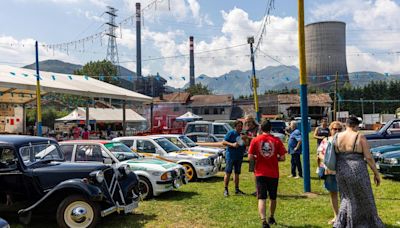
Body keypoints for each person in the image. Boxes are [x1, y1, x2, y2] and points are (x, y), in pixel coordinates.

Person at [333, 116, 384, 227]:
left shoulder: (337, 136)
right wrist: (376, 173)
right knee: (364, 196)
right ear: (356, 126)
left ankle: (343, 222)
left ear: (346, 125)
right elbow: (368, 157)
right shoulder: (359, 136)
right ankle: (365, 223)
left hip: (341, 169)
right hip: (357, 169)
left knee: (346, 197)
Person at [248, 120, 287, 228]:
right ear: (271, 128)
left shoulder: (255, 140)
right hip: (273, 173)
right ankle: (272, 217)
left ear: (261, 128)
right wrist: (275, 158)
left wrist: (257, 157)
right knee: (273, 197)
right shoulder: (276, 140)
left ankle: (263, 221)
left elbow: (250, 157)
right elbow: (283, 157)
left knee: (261, 197)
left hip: (260, 173)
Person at [316, 121, 342, 225]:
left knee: (346, 194)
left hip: (342, 171)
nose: (337, 131)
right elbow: (319, 154)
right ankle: (336, 216)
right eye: (335, 129)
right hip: (329, 171)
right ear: (330, 130)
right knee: (333, 193)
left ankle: (345, 216)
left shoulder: (344, 141)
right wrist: (327, 160)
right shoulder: (325, 140)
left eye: (339, 129)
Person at [222, 120, 246, 197]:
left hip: (239, 156)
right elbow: (223, 142)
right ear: (235, 126)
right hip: (231, 156)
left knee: (237, 173)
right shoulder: (231, 133)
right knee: (228, 173)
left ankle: (237, 189)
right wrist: (232, 144)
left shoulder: (242, 135)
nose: (240, 128)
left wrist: (245, 140)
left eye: (241, 126)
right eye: (239, 126)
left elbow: (244, 144)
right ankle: (226, 189)